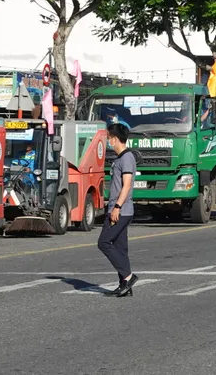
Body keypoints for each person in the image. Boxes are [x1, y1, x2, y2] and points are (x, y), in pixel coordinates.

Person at [98, 119, 138, 297]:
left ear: (115, 139)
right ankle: (124, 285)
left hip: (121, 210)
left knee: (104, 243)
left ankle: (128, 277)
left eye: (109, 138)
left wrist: (117, 207)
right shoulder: (120, 158)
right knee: (120, 248)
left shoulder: (127, 158)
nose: (108, 141)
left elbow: (127, 185)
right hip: (119, 209)